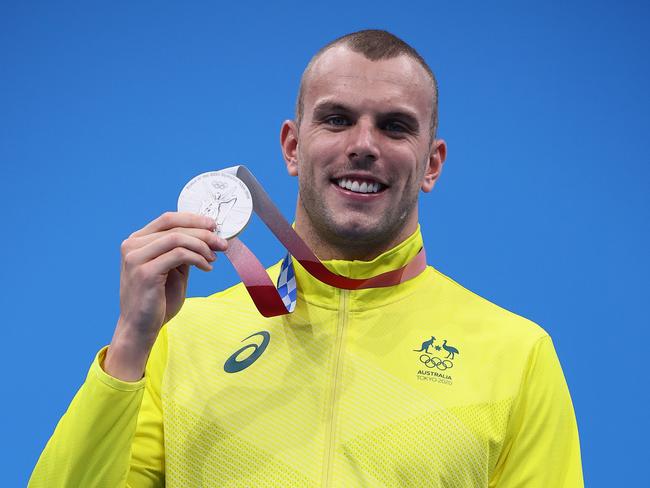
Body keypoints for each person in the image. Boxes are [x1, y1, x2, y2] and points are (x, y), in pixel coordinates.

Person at [30, 30, 583, 487]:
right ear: (292, 147)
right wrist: (130, 342)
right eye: (337, 119)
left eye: (394, 126)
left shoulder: (517, 355)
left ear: (432, 164)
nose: (363, 144)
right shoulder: (181, 341)